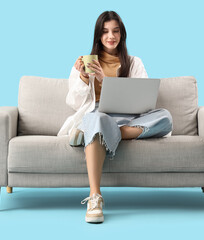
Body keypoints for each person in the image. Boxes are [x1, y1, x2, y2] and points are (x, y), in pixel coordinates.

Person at [57, 11, 173, 223]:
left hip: (129, 118)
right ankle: (95, 197)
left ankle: (104, 134)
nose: (111, 36)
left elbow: (144, 95)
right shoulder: (85, 62)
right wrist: (84, 77)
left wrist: (106, 79)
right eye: (105, 32)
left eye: (115, 31)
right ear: (98, 36)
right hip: (99, 114)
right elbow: (73, 102)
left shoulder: (133, 62)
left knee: (165, 117)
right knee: (97, 120)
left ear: (122, 34)